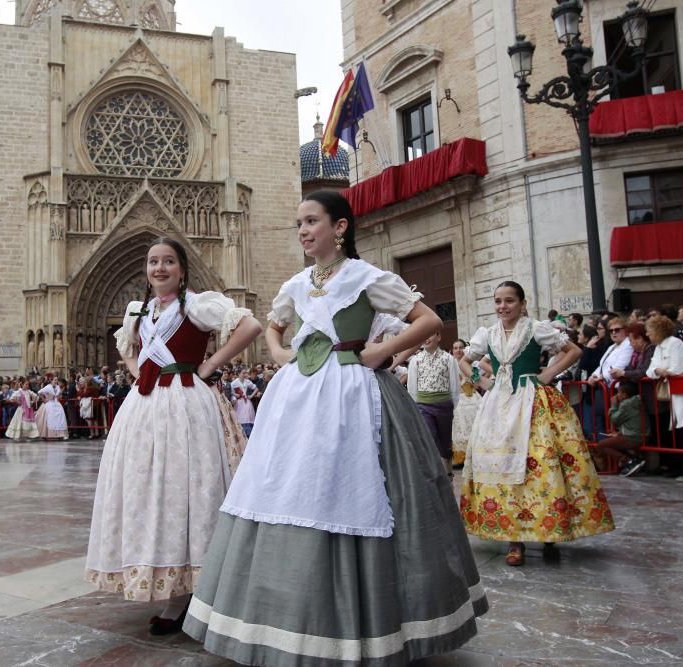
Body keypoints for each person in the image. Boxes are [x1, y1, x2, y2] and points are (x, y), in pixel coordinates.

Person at [185, 192, 486, 662]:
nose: (303, 231)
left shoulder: (368, 278)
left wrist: (380, 352)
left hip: (353, 395)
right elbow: (273, 326)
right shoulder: (297, 284)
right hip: (299, 397)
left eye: (311, 221)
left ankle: (369, 621)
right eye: (299, 223)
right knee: (285, 486)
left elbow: (427, 321)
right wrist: (281, 355)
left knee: (355, 487)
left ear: (340, 227)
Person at [85, 236, 262, 635]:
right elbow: (127, 350)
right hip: (145, 406)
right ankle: (172, 584)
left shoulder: (197, 305)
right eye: (153, 263)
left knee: (190, 488)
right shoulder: (138, 311)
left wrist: (210, 363)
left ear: (182, 270)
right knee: (151, 490)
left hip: (187, 404)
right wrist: (135, 369)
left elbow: (249, 325)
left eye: (168, 262)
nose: (159, 268)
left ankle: (194, 590)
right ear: (146, 271)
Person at [459, 281, 614, 567]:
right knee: (501, 467)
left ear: (522, 303)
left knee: (540, 465)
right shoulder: (488, 334)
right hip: (498, 405)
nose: (503, 306)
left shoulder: (535, 328)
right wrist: (481, 382)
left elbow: (573, 351)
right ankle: (513, 539)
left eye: (509, 301)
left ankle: (548, 533)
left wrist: (547, 374)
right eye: (498, 301)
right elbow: (465, 360)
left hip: (533, 402)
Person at [645, 315, 683, 481]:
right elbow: (650, 371)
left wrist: (661, 370)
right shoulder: (658, 348)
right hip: (677, 392)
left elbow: (677, 368)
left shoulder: (675, 344)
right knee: (681, 427)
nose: (648, 334)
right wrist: (659, 371)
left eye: (650, 331)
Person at [404, 330, 459, 474]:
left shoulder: (449, 359)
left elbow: (454, 384)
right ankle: (436, 472)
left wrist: (453, 404)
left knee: (445, 441)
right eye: (423, 334)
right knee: (429, 437)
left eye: (430, 334)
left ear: (438, 336)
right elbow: (412, 386)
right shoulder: (416, 360)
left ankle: (448, 469)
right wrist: (415, 406)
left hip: (444, 405)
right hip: (423, 406)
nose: (426, 338)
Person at [595, 381, 648, 475]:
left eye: (618, 393)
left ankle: (628, 461)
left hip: (633, 437)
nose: (616, 395)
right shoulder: (635, 402)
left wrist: (613, 405)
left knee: (601, 445)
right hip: (639, 434)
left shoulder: (626, 404)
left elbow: (614, 418)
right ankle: (634, 459)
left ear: (624, 395)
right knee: (612, 440)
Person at [451, 339, 483, 468]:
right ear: (452, 350)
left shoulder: (473, 364)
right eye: (455, 348)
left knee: (475, 425)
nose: (458, 350)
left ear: (465, 349)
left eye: (461, 347)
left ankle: (477, 456)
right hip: (458, 398)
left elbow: (477, 383)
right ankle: (461, 458)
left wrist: (469, 376)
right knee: (459, 427)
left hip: (473, 398)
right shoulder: (450, 364)